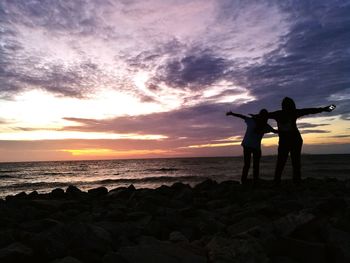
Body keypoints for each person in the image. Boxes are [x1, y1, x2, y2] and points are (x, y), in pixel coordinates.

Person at [266, 97, 336, 184]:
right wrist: (325, 109)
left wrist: (325, 109)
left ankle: (282, 181)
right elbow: (309, 110)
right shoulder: (289, 112)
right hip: (291, 140)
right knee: (291, 161)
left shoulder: (281, 113)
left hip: (292, 140)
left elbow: (264, 115)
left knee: (285, 161)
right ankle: (292, 181)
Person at [226, 109, 278, 184]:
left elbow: (242, 116)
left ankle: (246, 181)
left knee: (248, 165)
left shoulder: (254, 122)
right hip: (251, 146)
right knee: (253, 165)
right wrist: (232, 114)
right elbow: (275, 131)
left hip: (249, 146)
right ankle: (252, 180)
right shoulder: (261, 124)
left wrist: (232, 113)